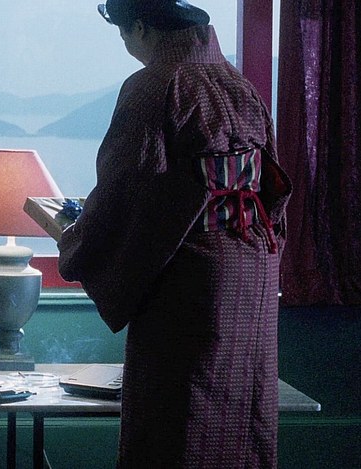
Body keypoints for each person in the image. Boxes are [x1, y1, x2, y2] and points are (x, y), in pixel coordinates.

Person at [57, 1, 292, 467]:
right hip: (253, 267)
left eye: (124, 33)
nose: (126, 44)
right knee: (243, 410)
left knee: (175, 417)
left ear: (142, 28)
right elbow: (271, 186)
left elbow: (126, 184)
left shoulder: (155, 84)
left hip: (191, 276)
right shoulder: (240, 85)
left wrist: (75, 238)